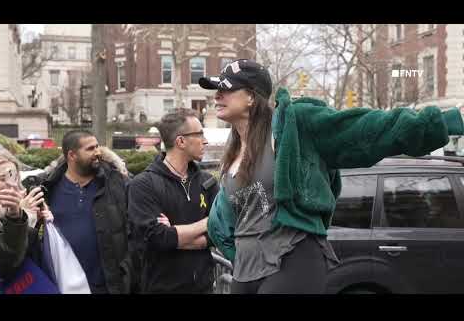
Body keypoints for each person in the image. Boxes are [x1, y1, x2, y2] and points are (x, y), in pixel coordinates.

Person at [199, 58, 464, 294]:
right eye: (216, 90)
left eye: (226, 88)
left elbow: (365, 131)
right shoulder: (231, 155)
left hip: (293, 256)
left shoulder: (293, 126)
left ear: (251, 97)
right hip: (247, 269)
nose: (217, 95)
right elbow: (219, 223)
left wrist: (443, 122)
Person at [28, 130, 137, 294]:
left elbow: (134, 229)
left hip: (108, 285)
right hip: (63, 285)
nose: (98, 152)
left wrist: (128, 270)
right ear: (72, 155)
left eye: (97, 146)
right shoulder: (48, 189)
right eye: (90, 149)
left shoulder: (117, 183)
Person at [128, 108, 219, 293]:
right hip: (161, 287)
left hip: (204, 287)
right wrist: (207, 222)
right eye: (199, 134)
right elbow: (156, 238)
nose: (205, 140)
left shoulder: (207, 182)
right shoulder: (143, 184)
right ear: (181, 141)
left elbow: (221, 231)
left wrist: (174, 235)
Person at [0, 151, 44, 282]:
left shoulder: (11, 206)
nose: (11, 184)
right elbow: (8, 260)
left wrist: (36, 219)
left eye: (14, 178)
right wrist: (21, 218)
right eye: (2, 179)